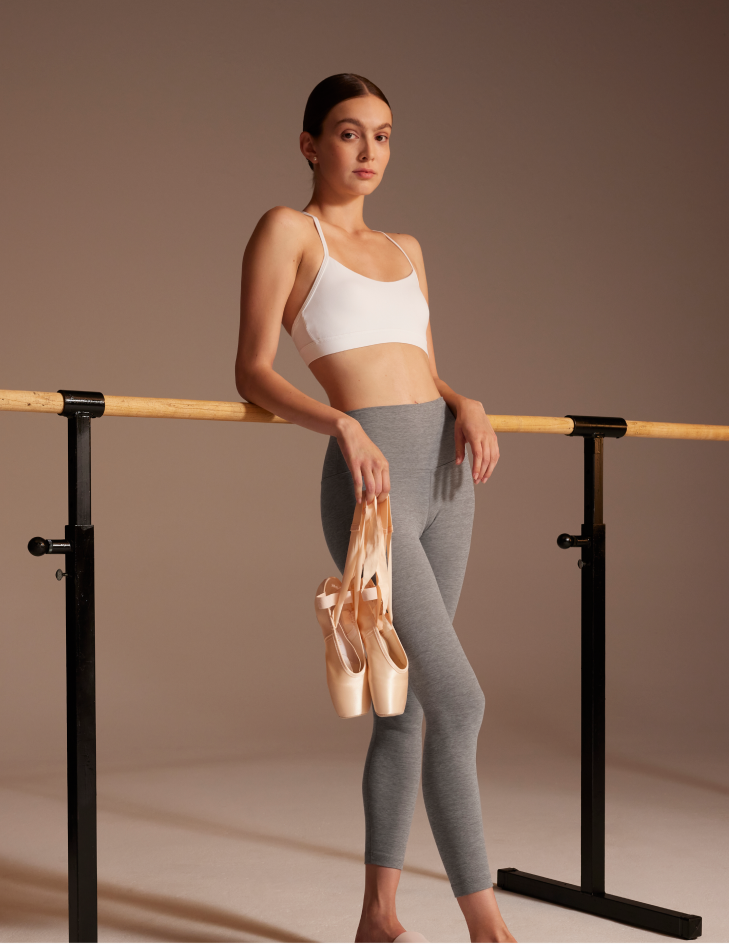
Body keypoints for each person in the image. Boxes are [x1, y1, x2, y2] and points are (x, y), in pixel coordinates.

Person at [235, 73, 515, 944]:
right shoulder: (289, 231)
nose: (368, 152)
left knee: (414, 707)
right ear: (310, 144)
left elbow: (419, 365)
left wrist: (463, 399)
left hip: (445, 472)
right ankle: (486, 927)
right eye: (349, 134)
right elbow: (251, 370)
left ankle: (377, 917)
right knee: (459, 700)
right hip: (370, 481)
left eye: (383, 136)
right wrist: (339, 425)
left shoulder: (407, 246)